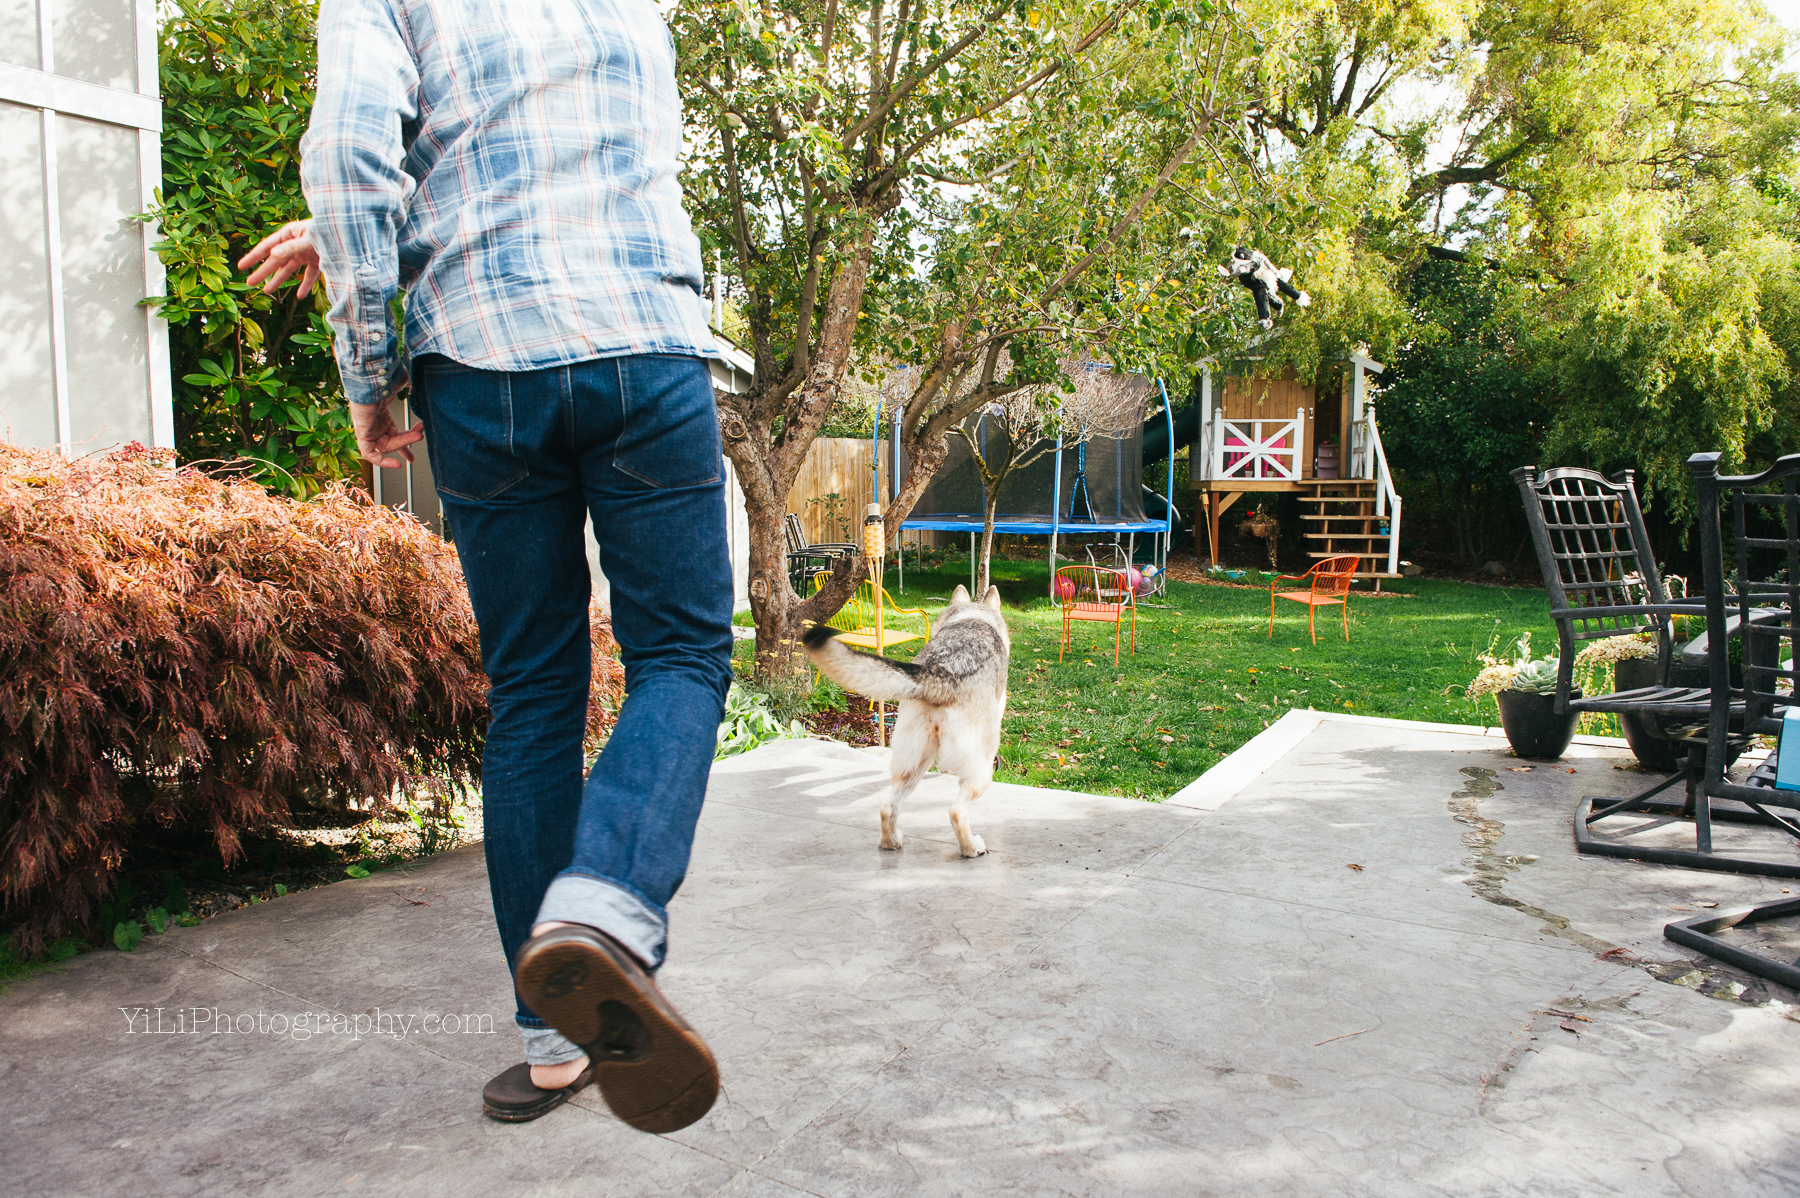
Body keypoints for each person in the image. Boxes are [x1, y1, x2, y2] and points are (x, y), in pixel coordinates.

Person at [241, 0, 733, 1133]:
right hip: (645, 353)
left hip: (485, 367)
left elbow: (358, 157)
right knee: (682, 657)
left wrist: (369, 369)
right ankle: (608, 908)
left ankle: (554, 1046)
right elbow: (561, 163)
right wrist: (368, 224)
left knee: (536, 693)